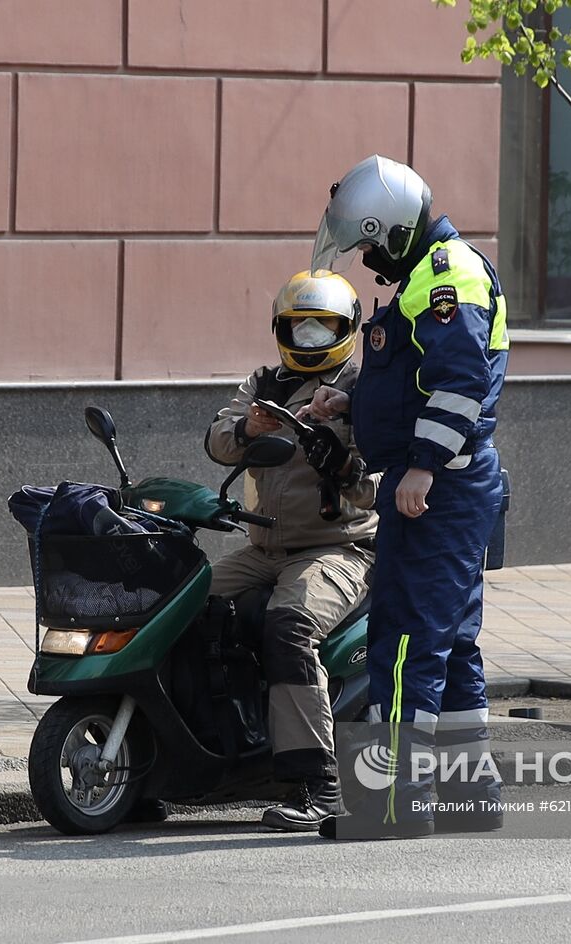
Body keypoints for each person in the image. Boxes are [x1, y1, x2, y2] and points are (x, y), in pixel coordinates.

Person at [303, 155, 509, 839]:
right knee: (450, 644)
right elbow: (413, 375)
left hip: (439, 488)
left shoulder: (447, 280)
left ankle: (391, 804)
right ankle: (466, 795)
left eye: (366, 245)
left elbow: (458, 382)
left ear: (390, 231)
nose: (365, 259)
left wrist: (421, 467)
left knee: (402, 645)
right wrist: (351, 397)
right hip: (453, 485)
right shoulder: (427, 279)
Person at [203, 269, 380, 832]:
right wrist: (251, 429)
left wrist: (344, 460)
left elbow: (376, 481)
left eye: (321, 327)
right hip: (263, 545)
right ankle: (204, 753)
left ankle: (317, 785)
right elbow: (217, 438)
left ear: (346, 328)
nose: (308, 338)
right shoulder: (263, 382)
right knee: (186, 608)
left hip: (339, 547)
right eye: (297, 327)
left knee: (289, 624)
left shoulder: (362, 388)